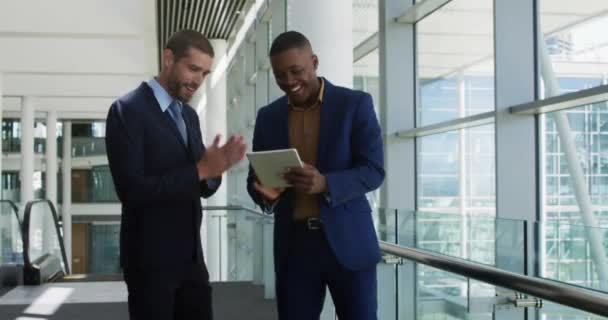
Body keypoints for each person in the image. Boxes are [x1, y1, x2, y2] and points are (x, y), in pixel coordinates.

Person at [106, 29, 247, 320]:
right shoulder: (127, 111)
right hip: (150, 262)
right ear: (168, 58)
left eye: (205, 74)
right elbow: (132, 191)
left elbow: (202, 184)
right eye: (193, 68)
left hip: (192, 259)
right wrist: (201, 169)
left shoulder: (189, 116)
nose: (198, 80)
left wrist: (213, 171)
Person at [247, 31, 385, 320]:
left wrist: (326, 183)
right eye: (279, 75)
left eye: (296, 71)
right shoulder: (268, 117)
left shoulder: (355, 104)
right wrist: (264, 193)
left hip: (349, 242)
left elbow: (373, 171)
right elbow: (255, 179)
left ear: (314, 62)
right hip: (295, 247)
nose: (289, 82)